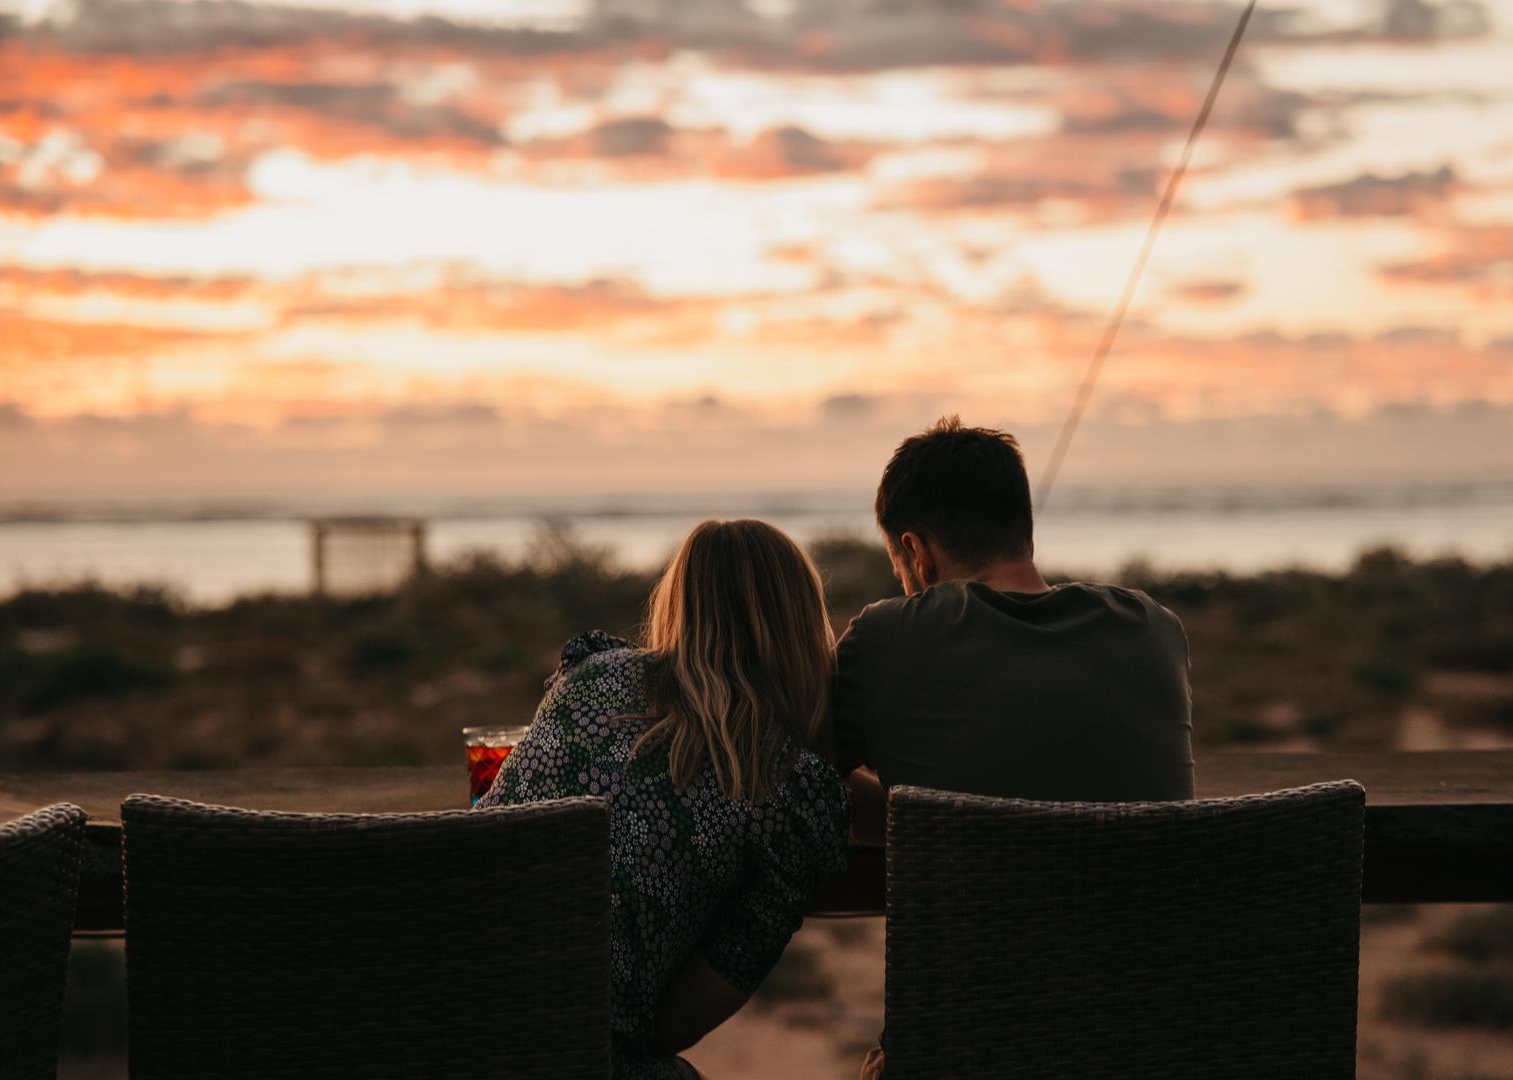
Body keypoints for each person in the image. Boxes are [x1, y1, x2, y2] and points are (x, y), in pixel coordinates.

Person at [476, 519, 850, 1080]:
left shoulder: (589, 678)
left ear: (680, 604)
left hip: (431, 1014)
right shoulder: (790, 794)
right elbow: (673, 1024)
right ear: (801, 625)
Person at [833, 415, 1195, 838]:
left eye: (902, 574)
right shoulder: (1154, 628)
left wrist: (914, 814)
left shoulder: (884, 636)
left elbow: (791, 776)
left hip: (974, 903)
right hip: (1150, 902)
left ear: (918, 554)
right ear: (1025, 534)